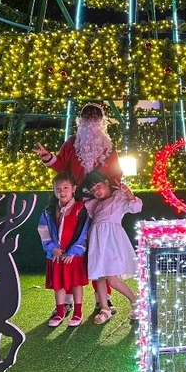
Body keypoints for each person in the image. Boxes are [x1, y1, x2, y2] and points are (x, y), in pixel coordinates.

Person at [33, 103, 123, 309]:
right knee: (69, 245)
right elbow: (60, 166)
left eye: (95, 115)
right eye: (87, 115)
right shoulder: (72, 143)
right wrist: (48, 157)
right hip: (75, 205)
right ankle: (67, 298)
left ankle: (103, 298)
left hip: (99, 208)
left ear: (102, 120)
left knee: (99, 251)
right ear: (80, 120)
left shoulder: (109, 147)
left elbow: (116, 176)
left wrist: (115, 196)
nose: (91, 119)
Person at [85, 174, 142, 325]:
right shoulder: (95, 204)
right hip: (98, 244)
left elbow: (136, 207)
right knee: (100, 277)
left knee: (112, 279)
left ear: (106, 182)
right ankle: (105, 308)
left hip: (111, 243)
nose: (96, 191)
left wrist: (128, 192)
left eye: (98, 186)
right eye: (92, 190)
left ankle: (135, 301)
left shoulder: (118, 198)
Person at [38, 172, 90, 328]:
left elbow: (84, 233)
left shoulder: (81, 209)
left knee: (76, 283)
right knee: (58, 284)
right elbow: (43, 230)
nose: (62, 192)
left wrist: (74, 252)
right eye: (58, 189)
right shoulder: (48, 211)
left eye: (66, 188)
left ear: (73, 189)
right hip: (56, 256)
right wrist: (52, 248)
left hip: (74, 256)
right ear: (54, 191)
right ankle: (60, 312)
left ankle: (78, 312)